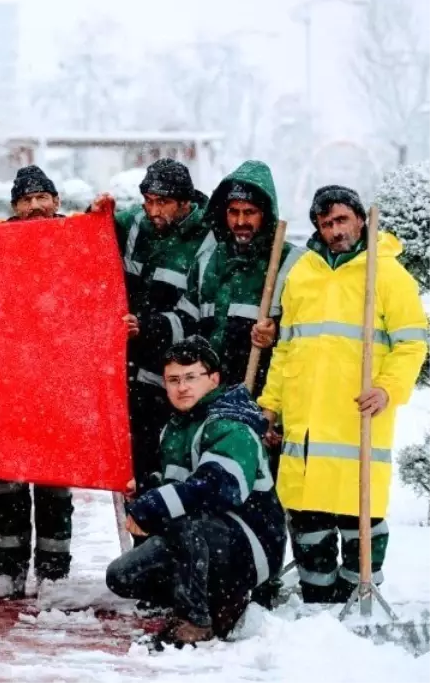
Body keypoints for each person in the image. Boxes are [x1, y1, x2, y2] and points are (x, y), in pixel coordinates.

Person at [259, 186, 428, 603]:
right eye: (325, 223)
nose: (335, 231)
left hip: (359, 417)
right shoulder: (302, 273)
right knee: (307, 514)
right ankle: (317, 604)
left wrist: (387, 389)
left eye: (341, 220)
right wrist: (271, 404)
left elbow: (412, 343)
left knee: (361, 514)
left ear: (360, 218)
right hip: (306, 419)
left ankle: (359, 598)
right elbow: (285, 347)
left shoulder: (386, 274)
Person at [175, 160, 302, 606]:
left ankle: (263, 584)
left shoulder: (289, 263)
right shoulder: (209, 257)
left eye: (251, 212)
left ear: (266, 213)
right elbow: (191, 322)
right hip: (214, 398)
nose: (242, 222)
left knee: (262, 492)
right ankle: (218, 577)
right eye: (234, 213)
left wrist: (278, 332)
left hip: (263, 399)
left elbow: (306, 335)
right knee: (216, 486)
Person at [106, 337, 286, 646]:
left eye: (191, 377)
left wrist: (153, 506)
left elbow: (218, 488)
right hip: (205, 536)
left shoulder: (231, 423)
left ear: (213, 379)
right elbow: (176, 486)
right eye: (173, 380)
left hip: (252, 544)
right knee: (121, 576)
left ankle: (199, 620)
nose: (182, 387)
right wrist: (145, 491)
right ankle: (206, 596)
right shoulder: (176, 427)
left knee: (183, 520)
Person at [0, 166, 74, 599]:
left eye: (43, 197)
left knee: (55, 482)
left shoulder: (80, 243)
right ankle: (8, 568)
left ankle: (54, 573)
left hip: (58, 385)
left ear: (56, 201)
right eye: (26, 199)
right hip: (9, 385)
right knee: (6, 484)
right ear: (15, 207)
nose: (35, 205)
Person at [113, 158, 215, 490]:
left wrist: (148, 328)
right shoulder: (137, 223)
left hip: (173, 379)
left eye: (163, 203)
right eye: (148, 201)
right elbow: (97, 231)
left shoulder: (206, 241)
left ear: (185, 203)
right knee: (136, 475)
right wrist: (96, 210)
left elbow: (197, 313)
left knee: (168, 469)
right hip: (130, 374)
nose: (153, 210)